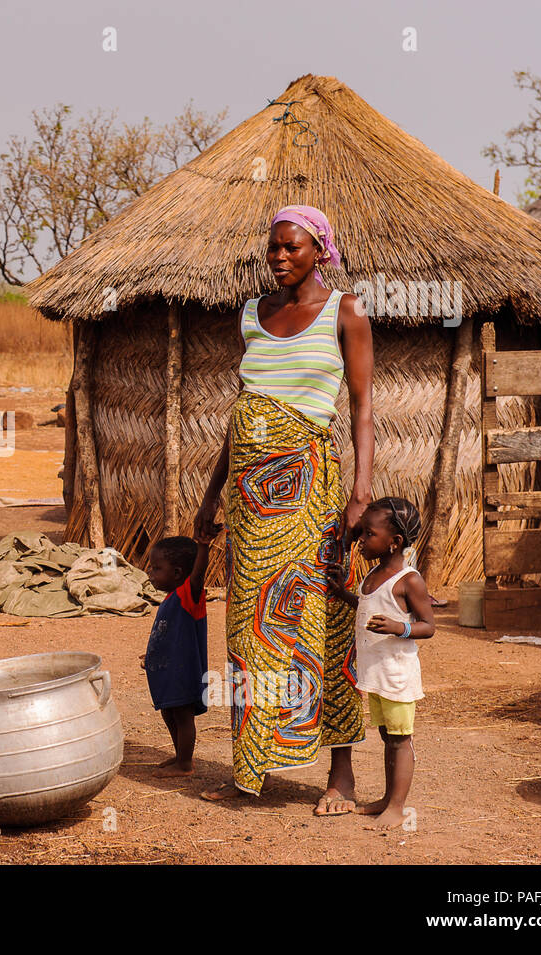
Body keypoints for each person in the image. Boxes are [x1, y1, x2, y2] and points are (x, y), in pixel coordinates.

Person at [195, 204, 374, 811]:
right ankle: (255, 763)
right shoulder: (253, 314)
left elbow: (361, 408)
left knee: (318, 621)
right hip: (249, 502)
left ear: (318, 249)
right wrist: (210, 492)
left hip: (310, 498)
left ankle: (341, 775)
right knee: (252, 627)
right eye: (273, 247)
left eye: (292, 247)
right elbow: (240, 411)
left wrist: (361, 494)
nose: (279, 257)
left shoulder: (346, 311)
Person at [327, 497, 434, 830]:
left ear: (394, 542)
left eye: (368, 534)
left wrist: (399, 627)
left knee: (401, 740)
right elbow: (366, 605)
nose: (360, 540)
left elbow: (428, 625)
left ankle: (398, 808)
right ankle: (388, 800)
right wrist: (341, 590)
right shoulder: (374, 574)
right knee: (389, 737)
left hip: (397, 676)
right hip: (377, 675)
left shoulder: (409, 580)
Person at [140, 529, 218, 777]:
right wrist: (151, 657)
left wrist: (203, 545)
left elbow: (198, 574)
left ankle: (185, 763)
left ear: (177, 573)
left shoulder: (188, 594)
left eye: (156, 568)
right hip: (169, 670)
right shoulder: (171, 598)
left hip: (184, 671)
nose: (150, 573)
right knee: (168, 711)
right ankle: (179, 756)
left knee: (183, 716)